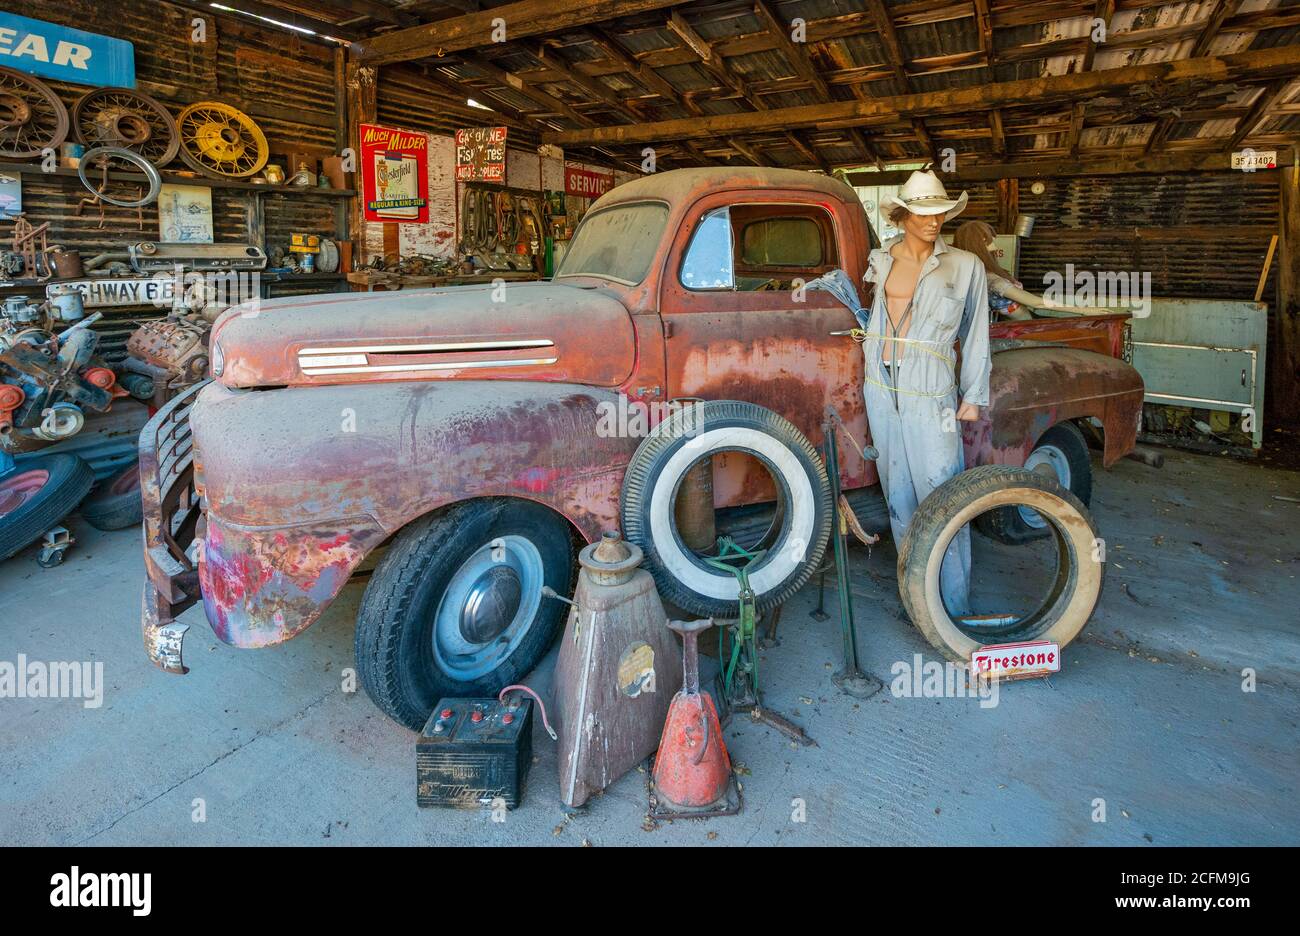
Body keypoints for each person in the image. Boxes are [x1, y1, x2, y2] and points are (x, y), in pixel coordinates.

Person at [861, 170, 989, 615]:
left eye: (941, 213)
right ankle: (917, 598)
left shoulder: (965, 266)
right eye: (924, 213)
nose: (935, 222)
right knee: (898, 493)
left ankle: (951, 606)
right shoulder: (880, 260)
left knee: (942, 491)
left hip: (930, 384)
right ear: (903, 215)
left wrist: (973, 394)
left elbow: (976, 334)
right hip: (880, 384)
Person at [952, 220, 1112, 320]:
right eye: (987, 240)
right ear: (978, 245)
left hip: (1028, 322)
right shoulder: (990, 280)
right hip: (1022, 330)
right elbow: (1036, 303)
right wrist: (1084, 310)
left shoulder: (987, 274)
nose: (994, 243)